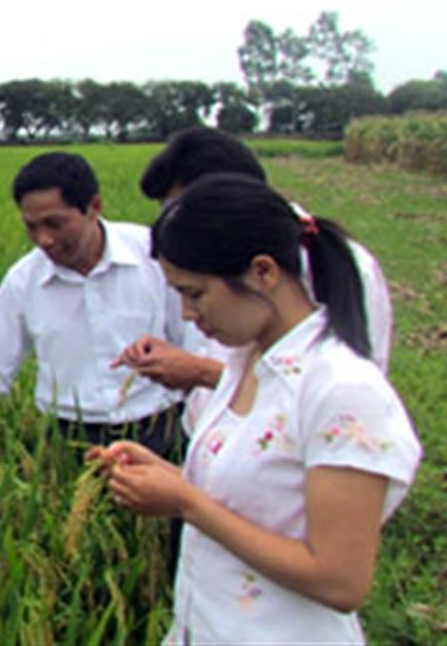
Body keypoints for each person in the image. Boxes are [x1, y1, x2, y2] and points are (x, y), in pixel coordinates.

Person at [93, 173, 420, 644]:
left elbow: (341, 581)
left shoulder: (343, 391)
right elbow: (258, 496)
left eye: (194, 293)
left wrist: (186, 503)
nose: (187, 315)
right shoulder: (245, 362)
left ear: (263, 272)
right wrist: (166, 477)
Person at [0, 152, 188, 459]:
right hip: (70, 437)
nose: (44, 240)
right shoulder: (24, 280)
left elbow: (196, 344)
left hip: (161, 425)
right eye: (32, 226)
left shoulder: (154, 255)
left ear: (94, 207)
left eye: (55, 224)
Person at [115, 127, 393, 399]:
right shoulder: (207, 267)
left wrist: (200, 372)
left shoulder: (344, 269)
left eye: (187, 211)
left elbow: (340, 389)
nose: (175, 228)